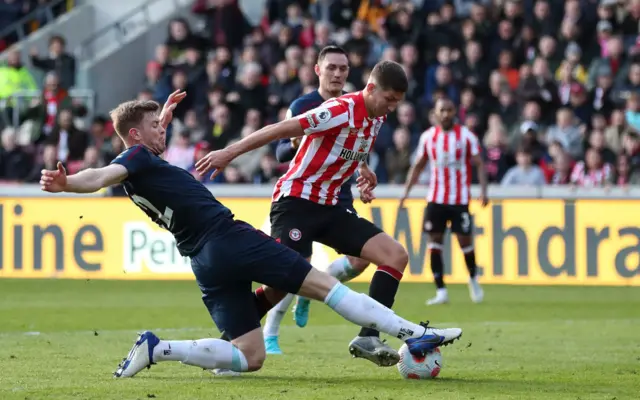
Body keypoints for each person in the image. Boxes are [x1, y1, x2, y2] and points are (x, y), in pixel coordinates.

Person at [39, 91, 463, 378]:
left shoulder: (141, 165)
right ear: (135, 136)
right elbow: (101, 175)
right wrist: (70, 183)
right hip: (228, 236)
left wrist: (159, 118)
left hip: (203, 261)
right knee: (324, 284)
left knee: (250, 355)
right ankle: (412, 332)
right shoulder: (133, 158)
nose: (162, 130)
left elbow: (131, 160)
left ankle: (158, 349)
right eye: (155, 126)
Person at [196, 61, 422, 368]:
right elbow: (280, 129)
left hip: (330, 207)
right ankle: (225, 344)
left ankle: (368, 336)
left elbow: (355, 143)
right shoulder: (340, 109)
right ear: (370, 89)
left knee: (395, 255)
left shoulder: (377, 114)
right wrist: (229, 152)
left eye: (398, 102)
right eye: (389, 99)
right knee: (284, 282)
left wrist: (364, 169)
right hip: (296, 202)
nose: (393, 108)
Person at [264, 45, 372, 356]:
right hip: (304, 195)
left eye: (343, 68)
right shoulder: (303, 105)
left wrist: (365, 171)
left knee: (360, 259)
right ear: (318, 71)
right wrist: (298, 142)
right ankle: (270, 333)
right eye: (331, 68)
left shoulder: (356, 105)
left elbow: (361, 146)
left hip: (339, 194)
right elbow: (280, 151)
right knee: (293, 267)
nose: (337, 73)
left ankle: (309, 293)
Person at [400, 98, 488, 305]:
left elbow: (479, 164)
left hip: (460, 200)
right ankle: (441, 291)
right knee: (434, 243)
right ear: (436, 113)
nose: (446, 114)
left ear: (454, 111)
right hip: (436, 200)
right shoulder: (428, 137)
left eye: (449, 110)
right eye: (442, 110)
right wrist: (405, 193)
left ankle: (473, 278)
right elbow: (418, 166)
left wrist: (484, 191)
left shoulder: (466, 136)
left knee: (465, 242)